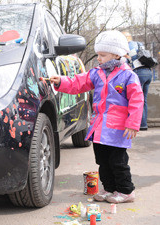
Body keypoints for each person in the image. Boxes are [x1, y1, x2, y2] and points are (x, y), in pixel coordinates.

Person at [49, 30, 144, 204]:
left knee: (118, 162)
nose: (98, 58)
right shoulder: (97, 72)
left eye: (103, 55)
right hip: (99, 128)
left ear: (116, 54)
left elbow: (137, 101)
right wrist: (61, 81)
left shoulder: (128, 76)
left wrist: (133, 123)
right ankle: (109, 188)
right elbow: (79, 82)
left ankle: (126, 191)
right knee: (102, 161)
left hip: (118, 130)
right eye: (98, 54)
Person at [123, 31, 153, 131]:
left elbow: (125, 62)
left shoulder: (127, 47)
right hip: (148, 72)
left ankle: (137, 124)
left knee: (135, 99)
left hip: (139, 73)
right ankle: (143, 124)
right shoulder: (139, 44)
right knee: (143, 99)